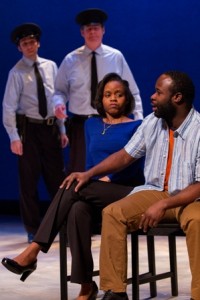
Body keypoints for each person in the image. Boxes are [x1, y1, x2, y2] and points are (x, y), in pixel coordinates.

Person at [1, 73, 144, 300]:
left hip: (126, 192)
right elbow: (89, 164)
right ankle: (87, 286)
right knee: (77, 210)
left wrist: (110, 178)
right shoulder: (91, 125)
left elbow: (136, 165)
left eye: (119, 94)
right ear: (101, 99)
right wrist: (93, 178)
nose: (113, 99)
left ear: (127, 99)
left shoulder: (138, 126)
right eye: (108, 95)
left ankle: (34, 251)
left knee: (73, 185)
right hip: (96, 192)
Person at [60, 70, 199, 300]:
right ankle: (115, 292)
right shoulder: (152, 123)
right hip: (156, 192)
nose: (152, 97)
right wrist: (89, 173)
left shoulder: (199, 129)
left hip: (190, 197)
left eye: (158, 92)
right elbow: (125, 156)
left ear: (177, 98)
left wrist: (165, 204)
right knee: (113, 212)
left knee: (198, 221)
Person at [53, 8, 143, 174]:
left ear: (103, 30)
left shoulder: (116, 57)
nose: (92, 32)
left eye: (96, 28)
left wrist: (139, 121)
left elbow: (133, 92)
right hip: (81, 125)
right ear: (82, 32)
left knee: (111, 170)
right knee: (80, 170)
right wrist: (58, 104)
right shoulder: (70, 59)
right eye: (88, 29)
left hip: (111, 123)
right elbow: (59, 91)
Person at [2, 23, 68, 243]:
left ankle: (62, 224)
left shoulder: (50, 66)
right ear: (19, 47)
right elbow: (9, 107)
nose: (29, 46)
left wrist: (62, 128)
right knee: (28, 182)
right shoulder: (16, 72)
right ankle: (33, 228)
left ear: (38, 43)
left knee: (57, 180)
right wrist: (14, 137)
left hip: (50, 128)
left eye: (32, 42)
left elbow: (56, 97)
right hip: (28, 130)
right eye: (24, 43)